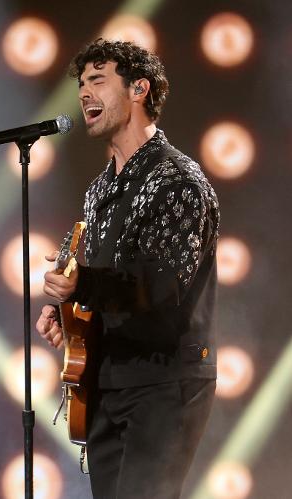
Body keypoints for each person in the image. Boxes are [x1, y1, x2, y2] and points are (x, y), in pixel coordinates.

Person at [36, 39, 219, 498]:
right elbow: (96, 280)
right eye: (81, 85)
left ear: (139, 89)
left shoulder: (178, 181)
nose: (83, 94)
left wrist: (83, 284)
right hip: (107, 379)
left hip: (164, 381)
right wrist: (67, 313)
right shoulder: (99, 190)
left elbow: (157, 285)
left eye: (97, 80)